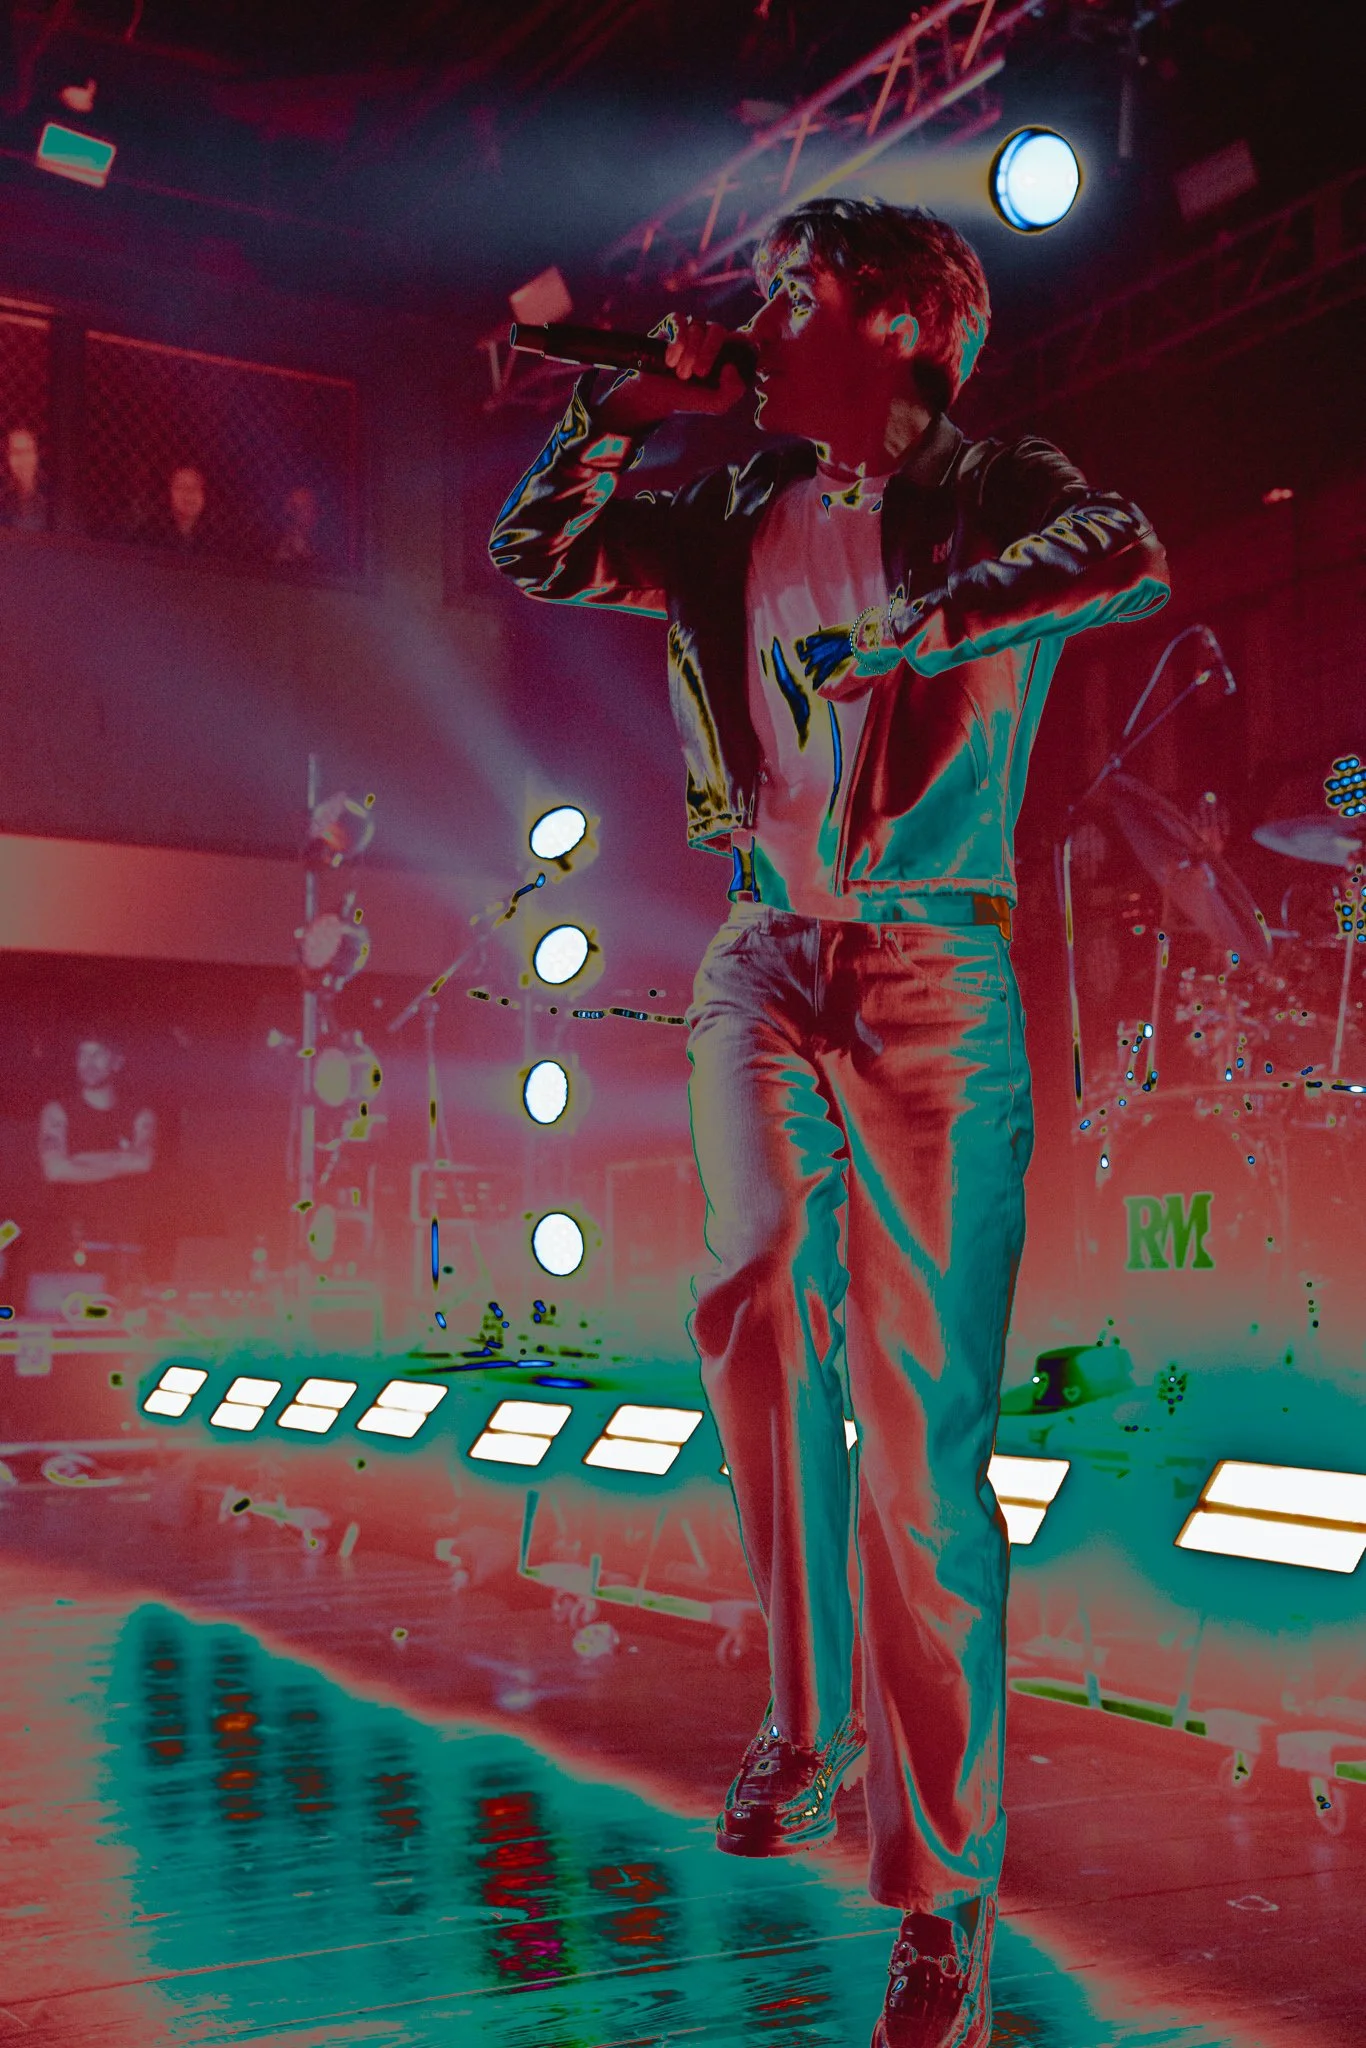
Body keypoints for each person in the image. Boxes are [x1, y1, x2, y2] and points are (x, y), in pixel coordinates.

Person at [490, 199, 1170, 2048]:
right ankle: (805, 1720)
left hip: (935, 972)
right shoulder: (725, 509)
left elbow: (1123, 549)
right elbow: (535, 548)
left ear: (904, 324)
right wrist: (619, 410)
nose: (761, 313)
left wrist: (916, 632)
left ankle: (940, 1903)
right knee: (761, 1276)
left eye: (799, 291)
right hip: (761, 956)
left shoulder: (991, 485)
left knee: (921, 1452)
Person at [38, 1032, 157, 1291]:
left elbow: (143, 1162)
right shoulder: (58, 1111)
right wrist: (122, 1161)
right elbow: (56, 1169)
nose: (88, 1062)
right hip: (70, 1244)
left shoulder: (139, 1113)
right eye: (82, 1054)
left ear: (117, 1062)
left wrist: (80, 1161)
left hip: (125, 1242)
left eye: (98, 1054)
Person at [0, 424, 48, 532]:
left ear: (37, 455)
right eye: (16, 452)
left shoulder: (52, 495)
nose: (23, 459)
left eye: (28, 451)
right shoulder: (3, 498)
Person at [273, 483, 322, 566]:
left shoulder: (321, 540)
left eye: (310, 506)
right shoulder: (280, 542)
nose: (311, 511)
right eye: (296, 508)